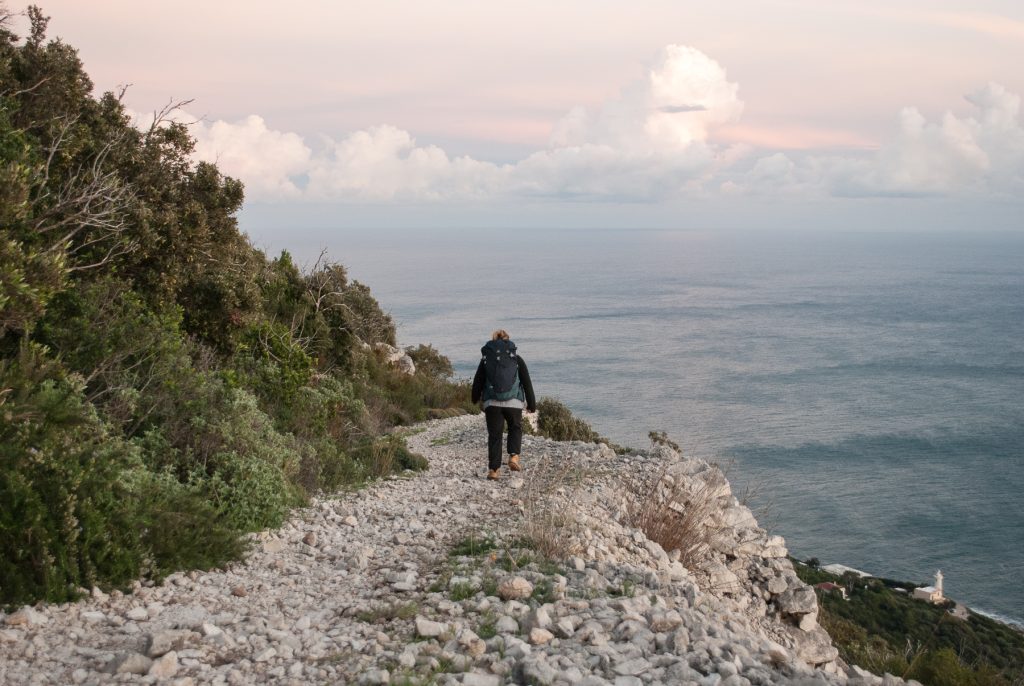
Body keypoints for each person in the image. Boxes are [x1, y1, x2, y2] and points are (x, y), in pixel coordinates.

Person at [471, 329, 536, 480]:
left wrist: (474, 398)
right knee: (515, 427)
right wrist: (531, 404)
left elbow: (478, 381)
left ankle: (494, 470)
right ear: (508, 342)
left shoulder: (486, 359)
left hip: (492, 403)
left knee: (495, 435)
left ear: (492, 341)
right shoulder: (516, 359)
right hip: (514, 402)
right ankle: (513, 456)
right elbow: (526, 382)